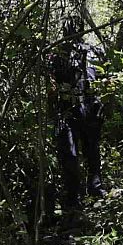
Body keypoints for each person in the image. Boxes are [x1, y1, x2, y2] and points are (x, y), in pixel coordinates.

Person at [46, 18, 104, 218]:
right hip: (85, 109)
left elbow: (51, 87)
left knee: (72, 154)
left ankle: (75, 197)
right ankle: (89, 191)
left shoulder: (58, 54)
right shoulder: (94, 51)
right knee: (89, 151)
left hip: (73, 110)